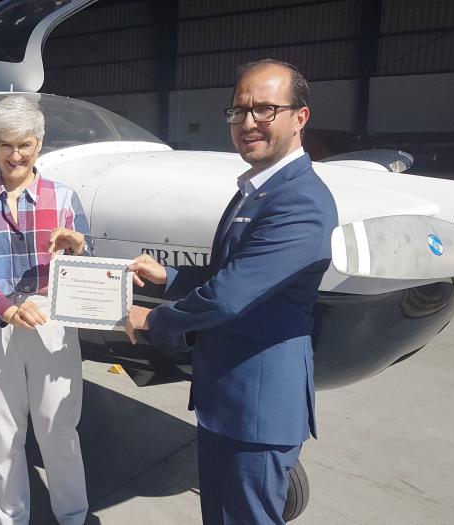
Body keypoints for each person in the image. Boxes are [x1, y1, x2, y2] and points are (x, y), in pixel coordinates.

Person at [125, 59, 338, 524]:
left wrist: (151, 319)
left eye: (265, 110)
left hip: (259, 406)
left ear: (299, 117)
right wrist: (170, 276)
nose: (247, 123)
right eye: (238, 111)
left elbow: (228, 297)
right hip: (227, 397)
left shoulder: (300, 202)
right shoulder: (254, 190)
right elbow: (231, 271)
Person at [0, 95, 91, 525]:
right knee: (4, 434)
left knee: (59, 430)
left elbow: (90, 273)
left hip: (50, 322)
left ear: (39, 144)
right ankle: (11, 518)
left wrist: (82, 250)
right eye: (5, 144)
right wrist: (6, 311)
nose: (15, 155)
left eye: (25, 144)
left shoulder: (65, 198)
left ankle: (73, 515)